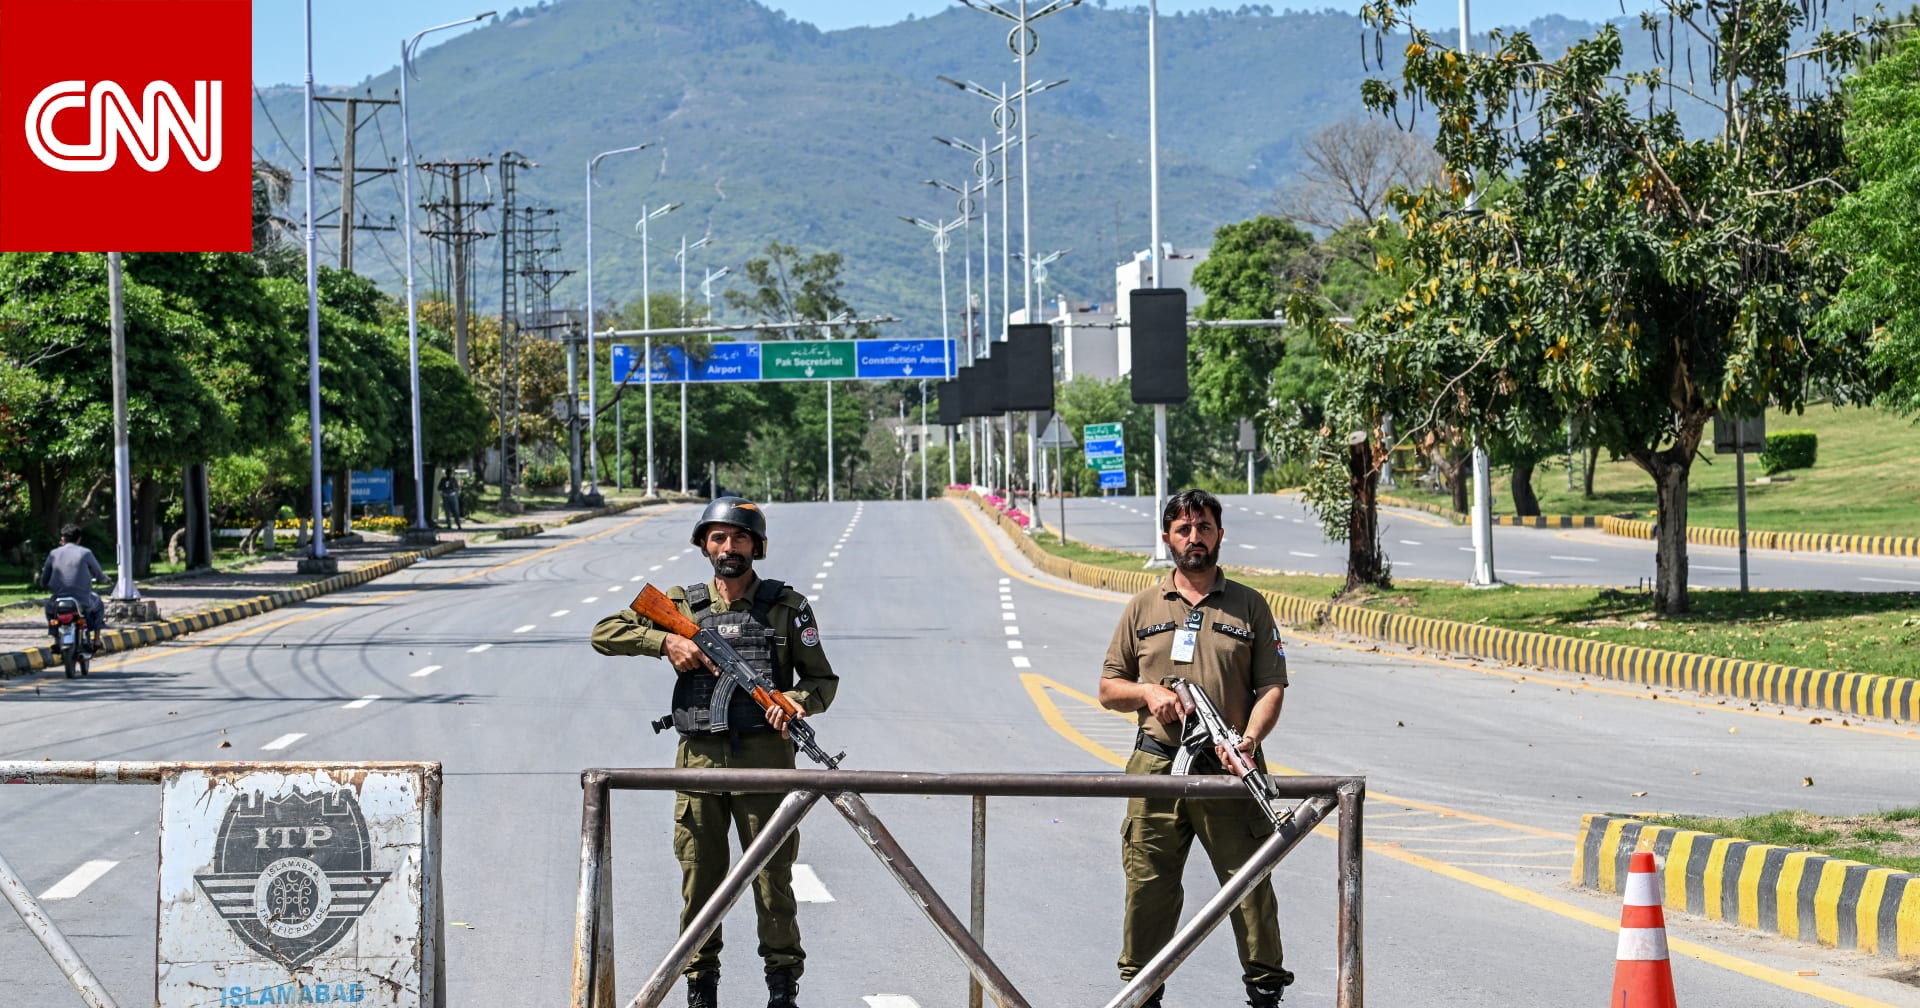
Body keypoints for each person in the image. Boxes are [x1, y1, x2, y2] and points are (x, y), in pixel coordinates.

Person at [591, 496, 837, 1008]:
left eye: (740, 537)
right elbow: (605, 633)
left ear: (756, 546)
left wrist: (793, 702)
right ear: (704, 544)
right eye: (719, 537)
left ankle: (782, 985)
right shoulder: (682, 604)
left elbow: (822, 680)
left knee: (772, 881)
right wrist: (666, 644)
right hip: (699, 764)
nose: (729, 547)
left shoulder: (787, 608)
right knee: (700, 879)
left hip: (768, 765)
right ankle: (700, 987)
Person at [1099, 489, 1292, 1008]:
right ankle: (1143, 992)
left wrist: (1248, 742)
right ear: (1167, 538)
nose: (1194, 538)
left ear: (1219, 535)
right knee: (1148, 885)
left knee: (1248, 886)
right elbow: (1108, 687)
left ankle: (1265, 991)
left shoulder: (1249, 604)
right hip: (1158, 762)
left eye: (1204, 528)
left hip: (1230, 766)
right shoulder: (1143, 606)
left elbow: (1271, 687)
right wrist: (1147, 692)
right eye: (1183, 530)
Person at [39, 523, 108, 650]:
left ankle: (56, 638)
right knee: (98, 603)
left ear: (63, 538)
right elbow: (98, 573)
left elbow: (45, 577)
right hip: (82, 601)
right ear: (79, 539)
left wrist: (43, 584)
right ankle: (97, 640)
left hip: (58, 601)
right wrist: (104, 579)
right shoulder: (86, 553)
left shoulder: (53, 553)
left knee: (49, 610)